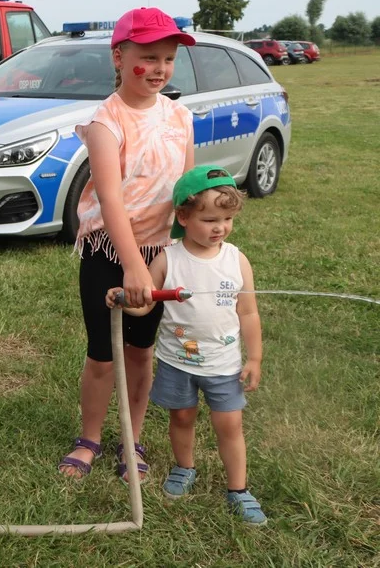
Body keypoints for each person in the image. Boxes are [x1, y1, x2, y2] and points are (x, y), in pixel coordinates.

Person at [58, 7, 195, 481]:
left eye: (169, 58)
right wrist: (133, 267)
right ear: (118, 56)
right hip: (109, 253)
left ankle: (131, 437)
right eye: (148, 56)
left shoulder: (180, 116)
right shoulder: (105, 122)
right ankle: (90, 437)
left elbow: (186, 191)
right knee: (103, 352)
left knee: (141, 350)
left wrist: (195, 236)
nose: (159, 68)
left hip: (159, 253)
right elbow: (111, 201)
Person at [105, 165, 266, 525]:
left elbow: (249, 313)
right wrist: (124, 297)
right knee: (181, 417)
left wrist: (253, 357)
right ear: (182, 216)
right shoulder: (168, 259)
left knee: (230, 426)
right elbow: (145, 303)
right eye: (209, 219)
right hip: (178, 362)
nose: (219, 227)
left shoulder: (236, 261)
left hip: (223, 365)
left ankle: (238, 489)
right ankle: (184, 467)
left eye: (226, 218)